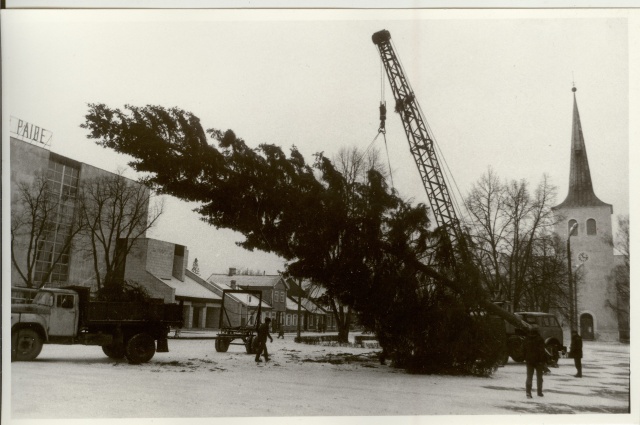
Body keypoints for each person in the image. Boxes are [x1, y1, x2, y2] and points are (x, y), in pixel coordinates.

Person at [523, 327, 546, 398]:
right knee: (539, 377)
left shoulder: (526, 339)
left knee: (529, 377)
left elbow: (523, 349)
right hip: (538, 361)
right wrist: (543, 361)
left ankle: (528, 392)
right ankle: (539, 392)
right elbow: (542, 351)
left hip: (529, 361)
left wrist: (525, 358)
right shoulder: (540, 339)